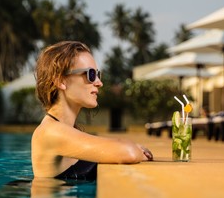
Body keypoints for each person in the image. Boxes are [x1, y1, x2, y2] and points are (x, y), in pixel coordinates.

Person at [32, 41, 153, 179]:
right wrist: (131, 148)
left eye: (97, 74)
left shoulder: (66, 130)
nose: (99, 82)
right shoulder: (50, 132)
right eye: (90, 74)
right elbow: (129, 152)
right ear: (61, 81)